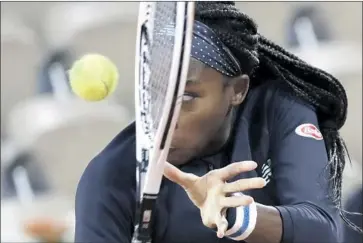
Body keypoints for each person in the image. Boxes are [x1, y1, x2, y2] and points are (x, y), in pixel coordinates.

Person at [75, 2, 360, 243]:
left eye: (186, 97)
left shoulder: (278, 110)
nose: (163, 117)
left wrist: (236, 216)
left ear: (238, 90)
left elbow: (323, 230)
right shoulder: (111, 177)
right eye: (155, 92)